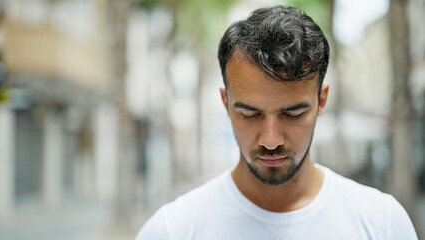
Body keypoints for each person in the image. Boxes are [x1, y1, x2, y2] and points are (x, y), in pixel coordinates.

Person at [135, 5, 417, 239]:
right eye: (250, 114)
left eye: (293, 115)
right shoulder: (171, 231)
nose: (271, 140)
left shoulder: (384, 224)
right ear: (225, 102)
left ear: (321, 100)